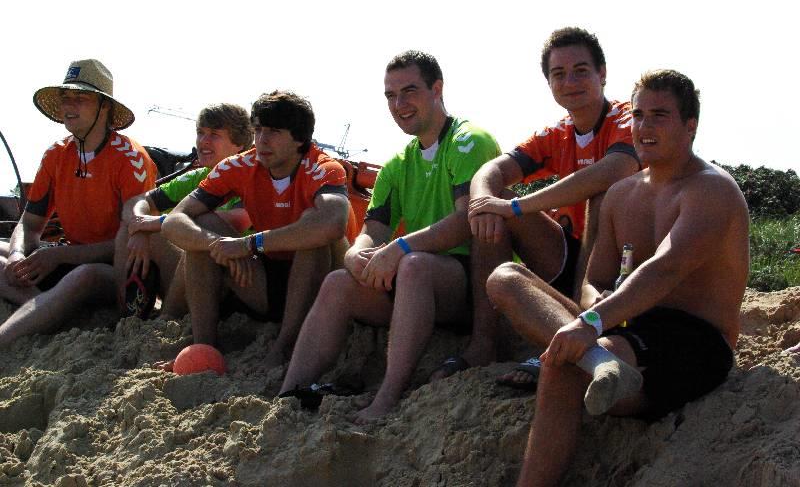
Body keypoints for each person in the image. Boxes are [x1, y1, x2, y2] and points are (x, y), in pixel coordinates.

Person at [488, 70, 749, 486]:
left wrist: (591, 322)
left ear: (690, 126)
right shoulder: (621, 193)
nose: (645, 127)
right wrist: (594, 305)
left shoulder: (711, 190)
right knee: (505, 278)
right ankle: (600, 363)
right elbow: (593, 280)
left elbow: (665, 268)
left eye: (660, 116)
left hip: (694, 339)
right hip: (624, 325)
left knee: (562, 364)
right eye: (639, 115)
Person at [279, 50, 501, 422]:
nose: (399, 104)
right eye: (390, 96)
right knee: (338, 282)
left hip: (473, 283)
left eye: (409, 91)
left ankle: (387, 397)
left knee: (413, 265)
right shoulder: (397, 164)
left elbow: (468, 220)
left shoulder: (469, 140)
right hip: (419, 280)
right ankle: (288, 395)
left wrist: (400, 248)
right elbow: (373, 230)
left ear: (437, 89)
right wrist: (356, 254)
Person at [432, 27, 641, 385]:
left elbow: (616, 168)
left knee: (601, 196)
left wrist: (518, 207)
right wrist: (484, 203)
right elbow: (492, 170)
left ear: (602, 74)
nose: (569, 82)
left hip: (623, 261)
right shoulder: (557, 133)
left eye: (580, 71)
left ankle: (575, 331)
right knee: (493, 205)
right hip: (568, 255)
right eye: (559, 74)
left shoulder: (628, 117)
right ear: (549, 83)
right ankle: (484, 344)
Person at [160, 90, 358, 369]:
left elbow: (332, 225)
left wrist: (249, 244)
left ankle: (285, 346)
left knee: (313, 231)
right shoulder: (240, 165)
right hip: (265, 281)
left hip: (323, 284)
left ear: (299, 138)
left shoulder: (324, 167)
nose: (262, 140)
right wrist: (220, 245)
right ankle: (204, 345)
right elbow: (173, 221)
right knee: (203, 226)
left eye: (274, 131)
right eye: (258, 130)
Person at [0, 59, 157, 347]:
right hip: (68, 258)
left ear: (104, 106)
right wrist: (17, 254)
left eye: (81, 98)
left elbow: (132, 241)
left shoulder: (131, 159)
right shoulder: (56, 155)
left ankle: (21, 327)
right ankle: (47, 308)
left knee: (85, 275)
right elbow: (30, 224)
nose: (69, 106)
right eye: (65, 98)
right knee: (7, 254)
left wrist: (60, 256)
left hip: (116, 269)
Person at [114, 103, 253, 319]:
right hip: (187, 273)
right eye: (200, 133)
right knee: (128, 229)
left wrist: (153, 224)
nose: (203, 141)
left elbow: (234, 220)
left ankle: (167, 316)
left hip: (233, 277)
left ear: (239, 144)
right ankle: (127, 317)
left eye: (214, 135)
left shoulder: (251, 177)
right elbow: (137, 201)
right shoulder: (198, 177)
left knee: (197, 236)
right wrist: (139, 225)